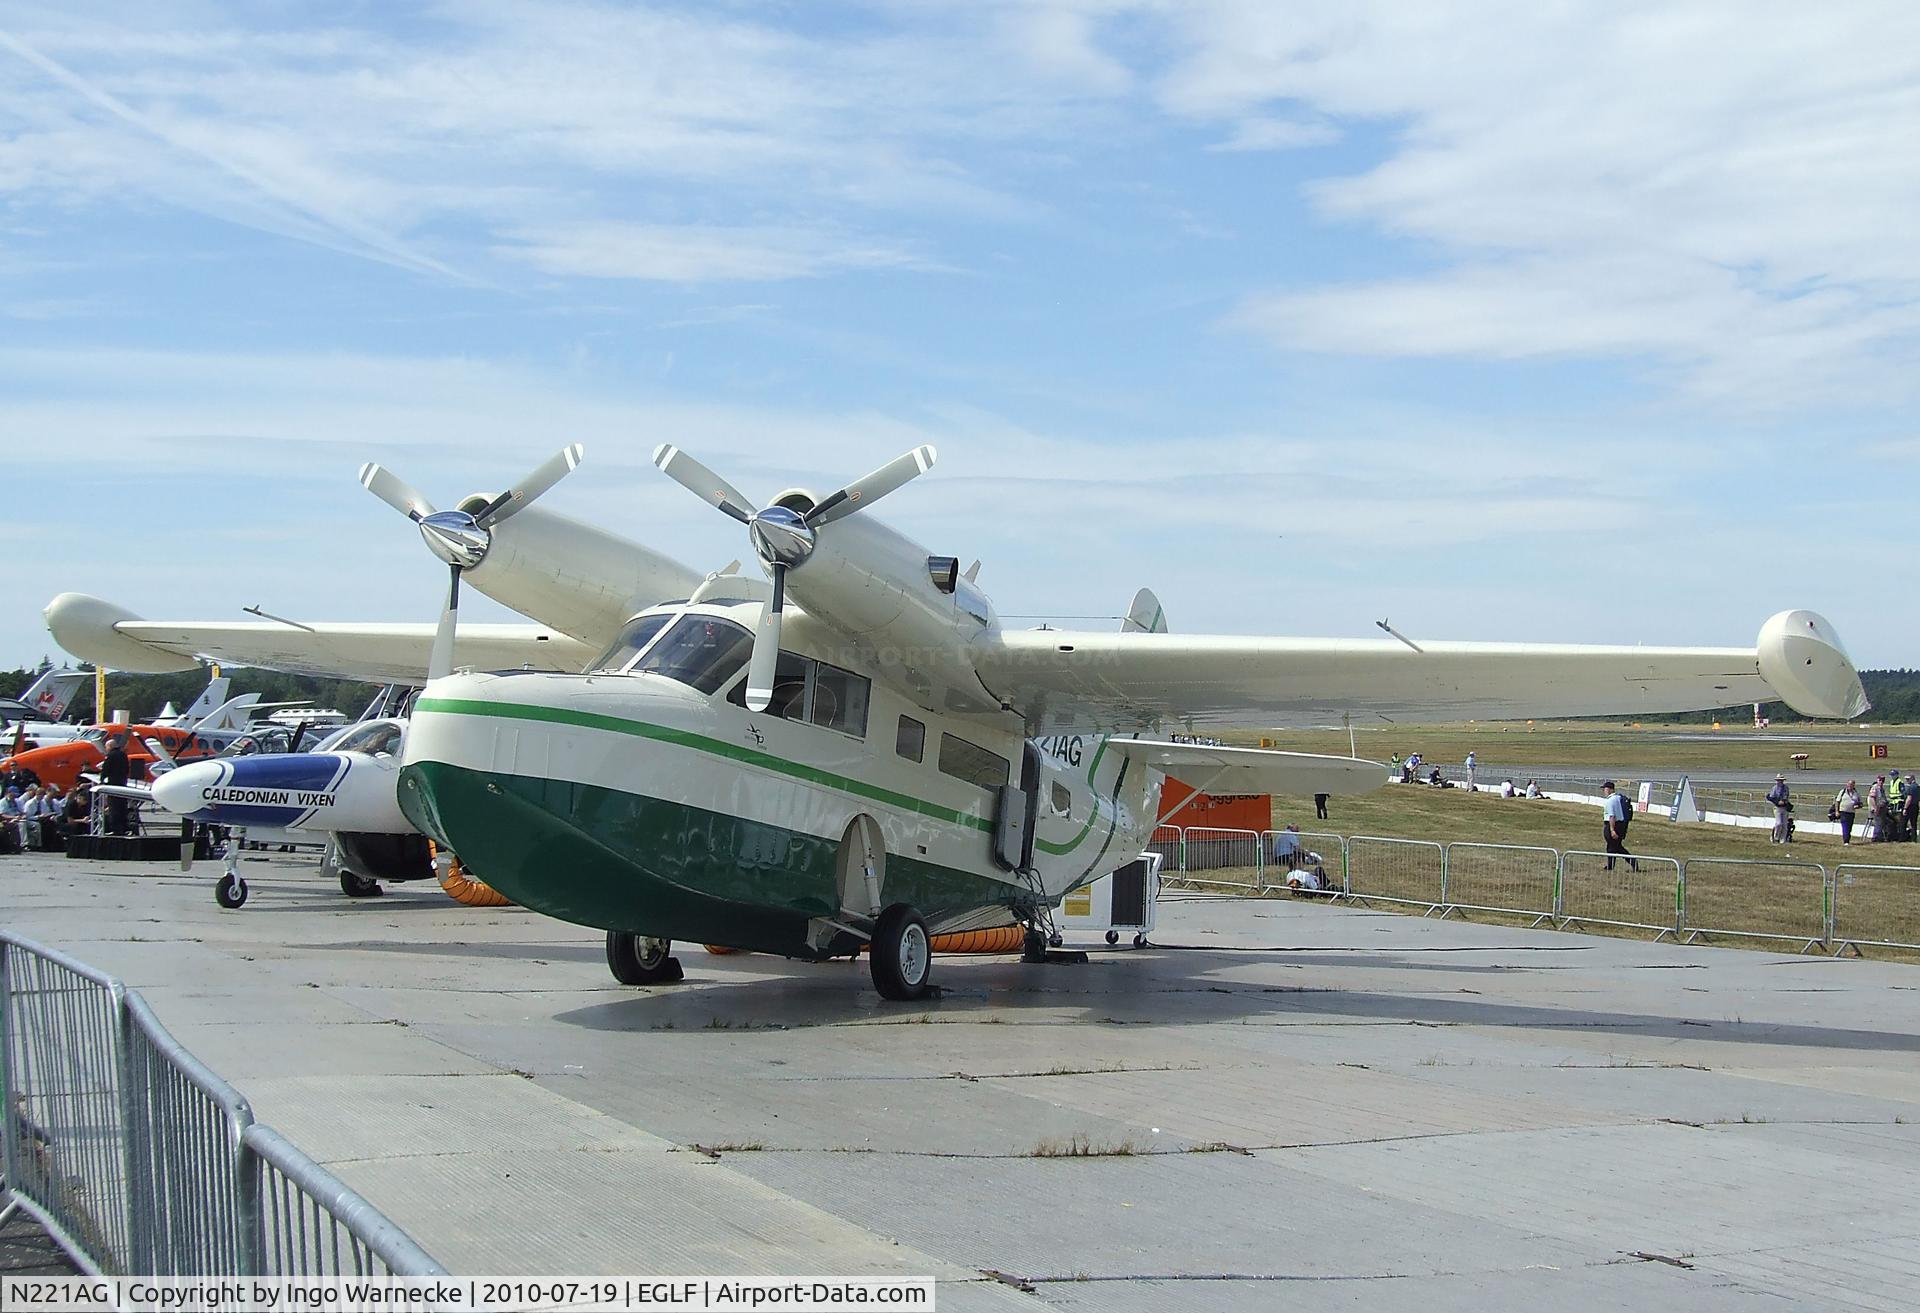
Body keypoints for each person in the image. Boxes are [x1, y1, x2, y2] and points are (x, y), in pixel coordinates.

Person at [1601, 781, 1638, 872]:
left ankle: (1632, 862)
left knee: (1615, 847)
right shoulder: (1619, 797)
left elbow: (1612, 816)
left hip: (1614, 825)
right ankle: (1611, 865)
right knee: (1614, 846)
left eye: (1605, 789)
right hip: (1622, 825)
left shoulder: (1610, 801)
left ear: (1610, 789)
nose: (1604, 791)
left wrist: (1612, 830)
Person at [101, 733, 131, 835]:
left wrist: (102, 781)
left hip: (113, 784)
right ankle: (124, 828)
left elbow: (105, 770)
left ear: (109, 747)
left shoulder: (110, 756)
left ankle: (116, 829)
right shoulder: (123, 755)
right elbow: (127, 769)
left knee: (114, 807)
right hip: (123, 783)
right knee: (122, 806)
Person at [1833, 779, 1862, 845]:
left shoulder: (1856, 793)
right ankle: (1846, 841)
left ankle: (1847, 839)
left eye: (1852, 784)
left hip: (1851, 812)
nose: (1850, 786)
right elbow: (1837, 801)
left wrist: (1858, 806)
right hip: (1843, 811)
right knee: (1845, 826)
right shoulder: (1842, 792)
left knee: (1849, 827)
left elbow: (1861, 803)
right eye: (1849, 784)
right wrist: (1837, 811)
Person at [1766, 773, 1792, 844]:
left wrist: (1783, 801)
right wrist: (1777, 802)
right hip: (1777, 807)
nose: (1780, 782)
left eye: (1781, 780)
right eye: (1779, 780)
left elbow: (1786, 796)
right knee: (1778, 823)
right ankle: (1776, 837)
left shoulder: (1786, 788)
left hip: (1784, 807)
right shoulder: (1774, 788)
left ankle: (1783, 840)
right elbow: (1771, 797)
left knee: (1784, 825)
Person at [1868, 775, 1889, 841]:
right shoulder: (1875, 787)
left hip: (1882, 808)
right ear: (1877, 780)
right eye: (1880, 780)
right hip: (1876, 808)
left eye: (1883, 780)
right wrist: (1875, 808)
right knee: (1878, 822)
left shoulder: (1882, 788)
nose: (1881, 782)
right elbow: (1872, 798)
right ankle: (1875, 837)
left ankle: (1881, 836)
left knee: (1881, 823)